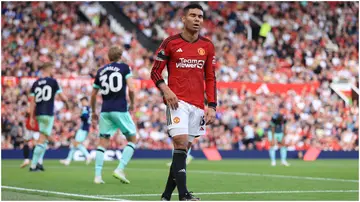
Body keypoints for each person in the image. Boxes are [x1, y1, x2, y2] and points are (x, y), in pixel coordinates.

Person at [151, 4, 217, 201]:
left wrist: (212, 105)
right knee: (179, 143)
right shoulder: (170, 43)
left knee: (182, 152)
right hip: (176, 103)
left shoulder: (207, 46)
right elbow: (155, 72)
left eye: (200, 16)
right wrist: (166, 89)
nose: (197, 19)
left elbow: (211, 77)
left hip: (197, 106)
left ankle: (165, 196)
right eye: (193, 15)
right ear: (183, 19)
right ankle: (184, 195)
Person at [91, 46, 137, 184]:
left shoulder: (101, 71)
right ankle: (120, 169)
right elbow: (132, 89)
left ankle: (97, 176)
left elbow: (93, 94)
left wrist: (93, 111)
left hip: (105, 111)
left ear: (108, 58)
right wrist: (133, 104)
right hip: (120, 109)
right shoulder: (124, 68)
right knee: (132, 139)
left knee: (102, 143)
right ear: (120, 56)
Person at [28, 62, 68, 171]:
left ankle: (39, 163)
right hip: (48, 113)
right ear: (48, 69)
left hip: (38, 113)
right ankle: (33, 165)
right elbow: (62, 97)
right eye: (52, 69)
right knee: (42, 138)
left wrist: (31, 117)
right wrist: (67, 103)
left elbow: (32, 102)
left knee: (44, 139)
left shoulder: (35, 83)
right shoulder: (53, 82)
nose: (53, 71)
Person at [60, 97, 92, 166]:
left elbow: (85, 117)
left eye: (82, 101)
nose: (82, 103)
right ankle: (68, 160)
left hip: (83, 128)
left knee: (76, 143)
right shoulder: (89, 108)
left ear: (85, 101)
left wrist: (80, 115)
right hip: (85, 128)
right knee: (74, 145)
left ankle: (88, 156)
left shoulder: (85, 108)